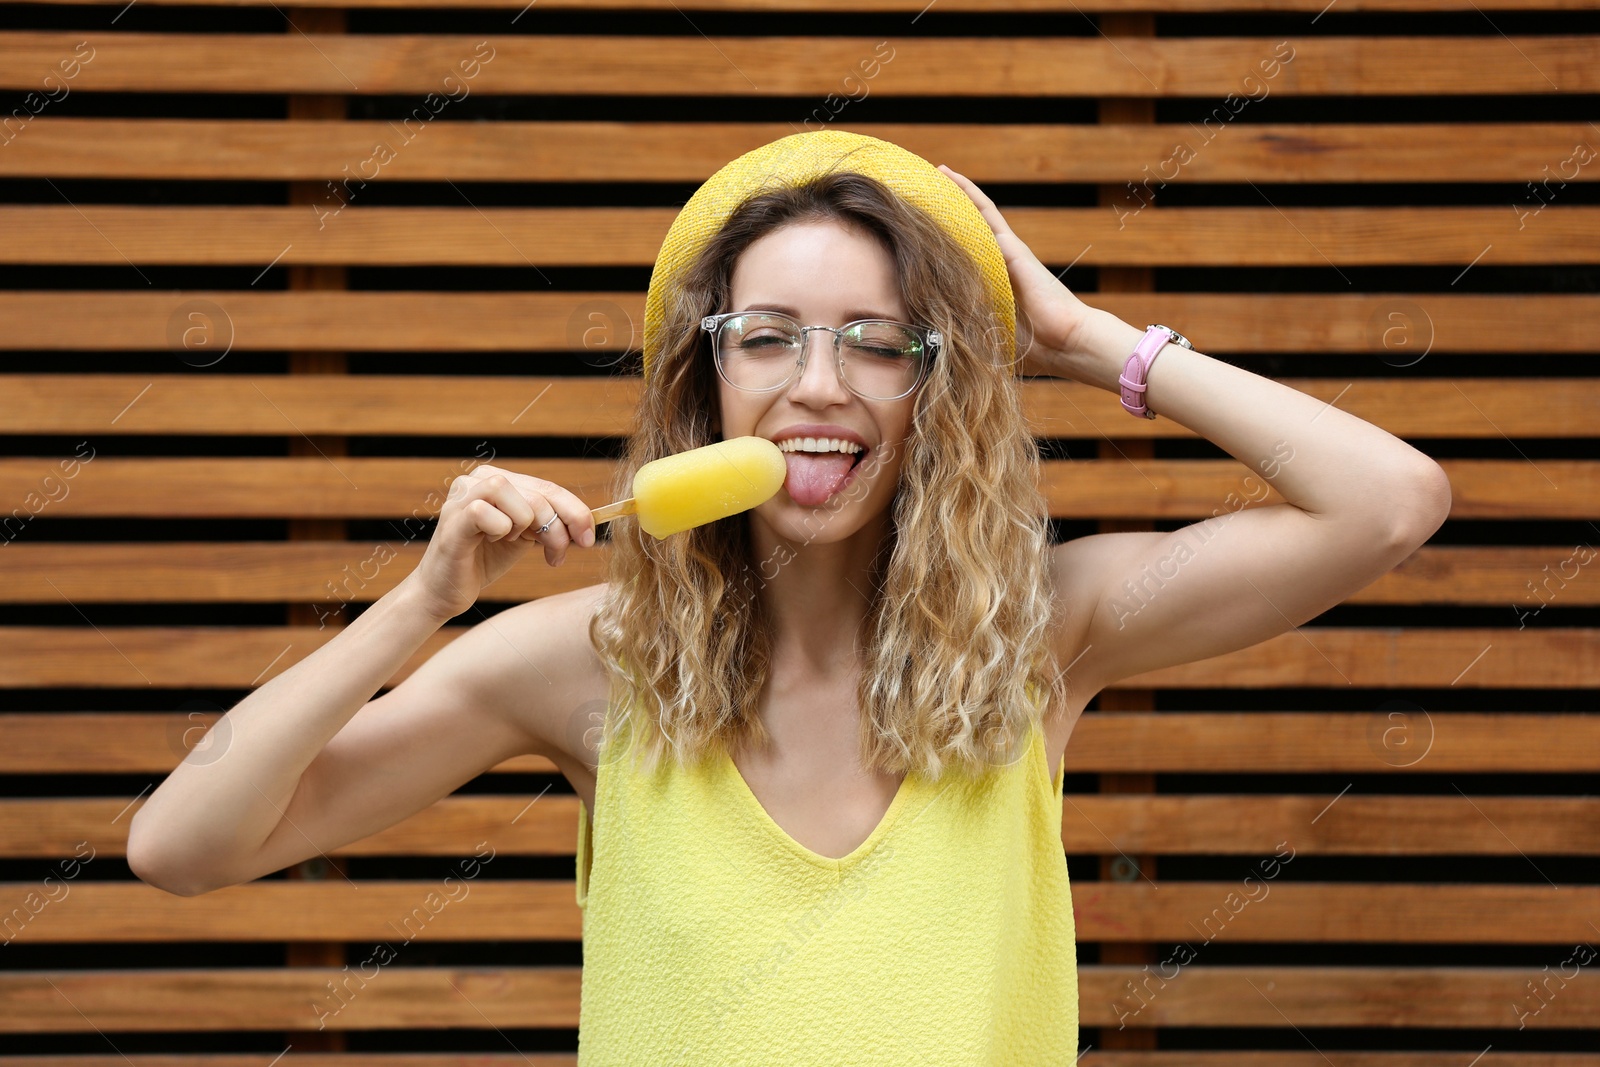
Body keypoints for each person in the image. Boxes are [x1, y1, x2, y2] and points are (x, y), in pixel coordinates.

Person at [127, 131, 1452, 1064]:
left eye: (878, 344)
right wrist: (418, 606)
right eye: (767, 337)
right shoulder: (585, 668)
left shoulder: (1040, 636)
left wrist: (1077, 340)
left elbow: (1388, 503)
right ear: (702, 385)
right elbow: (182, 847)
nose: (820, 384)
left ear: (931, 397)